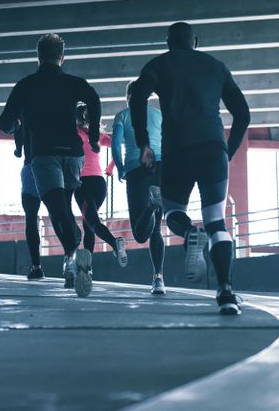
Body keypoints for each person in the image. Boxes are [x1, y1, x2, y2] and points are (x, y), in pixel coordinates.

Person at [130, 22, 250, 315]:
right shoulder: (216, 66)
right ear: (195, 41)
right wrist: (227, 151)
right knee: (216, 222)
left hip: (176, 150)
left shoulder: (158, 64)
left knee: (172, 214)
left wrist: (144, 142)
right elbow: (243, 115)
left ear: (169, 42)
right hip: (212, 149)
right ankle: (226, 292)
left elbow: (137, 98)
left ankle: (189, 233)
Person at [0, 33, 102, 298]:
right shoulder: (73, 82)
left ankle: (73, 251)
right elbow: (94, 99)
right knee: (64, 208)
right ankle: (71, 258)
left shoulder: (26, 85)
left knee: (57, 211)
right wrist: (91, 137)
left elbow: (5, 122)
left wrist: (15, 128)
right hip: (73, 154)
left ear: (38, 56)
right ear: (61, 57)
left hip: (44, 155)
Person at [108, 81, 166, 294]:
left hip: (136, 168)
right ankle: (158, 279)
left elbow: (115, 145)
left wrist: (121, 168)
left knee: (140, 234)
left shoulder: (122, 116)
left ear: (128, 97)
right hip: (159, 166)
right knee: (157, 229)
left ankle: (150, 206)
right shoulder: (159, 115)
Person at [74, 104, 127, 265]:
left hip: (83, 183)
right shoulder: (99, 135)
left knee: (92, 222)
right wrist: (111, 168)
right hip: (99, 184)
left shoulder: (75, 133)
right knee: (88, 223)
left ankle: (114, 243)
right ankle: (87, 268)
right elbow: (117, 147)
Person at [14, 121, 45, 280]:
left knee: (31, 219)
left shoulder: (24, 122)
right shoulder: (52, 116)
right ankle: (71, 261)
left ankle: (37, 267)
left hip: (31, 169)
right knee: (61, 212)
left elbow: (18, 152)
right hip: (52, 168)